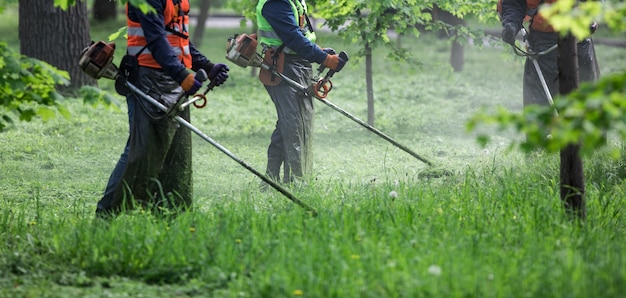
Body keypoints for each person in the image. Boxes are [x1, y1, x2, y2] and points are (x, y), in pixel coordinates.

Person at [95, 0, 230, 217]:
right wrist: (182, 74)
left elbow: (177, 41)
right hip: (147, 80)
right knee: (140, 151)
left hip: (172, 83)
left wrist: (206, 66)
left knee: (175, 154)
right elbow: (156, 39)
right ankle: (106, 214)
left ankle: (170, 216)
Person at [256, 0, 346, 184]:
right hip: (283, 68)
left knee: (288, 124)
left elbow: (301, 35)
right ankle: (296, 183)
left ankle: (270, 180)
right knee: (294, 126)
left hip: (297, 65)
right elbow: (293, 38)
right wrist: (326, 59)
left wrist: (319, 52)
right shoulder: (275, 3)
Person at [499, 0, 600, 109]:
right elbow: (514, 3)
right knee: (538, 106)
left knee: (584, 101)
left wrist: (588, 16)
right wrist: (511, 24)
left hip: (577, 40)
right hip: (541, 43)